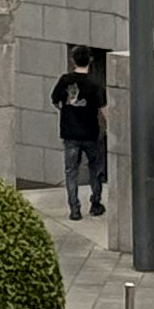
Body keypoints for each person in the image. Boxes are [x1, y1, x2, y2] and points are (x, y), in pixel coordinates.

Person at [53, 47, 109, 220]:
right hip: (91, 132)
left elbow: (55, 100)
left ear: (72, 60)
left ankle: (74, 209)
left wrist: (67, 112)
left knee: (71, 172)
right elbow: (103, 108)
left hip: (70, 133)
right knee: (95, 169)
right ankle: (96, 203)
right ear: (90, 60)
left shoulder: (65, 80)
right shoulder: (95, 83)